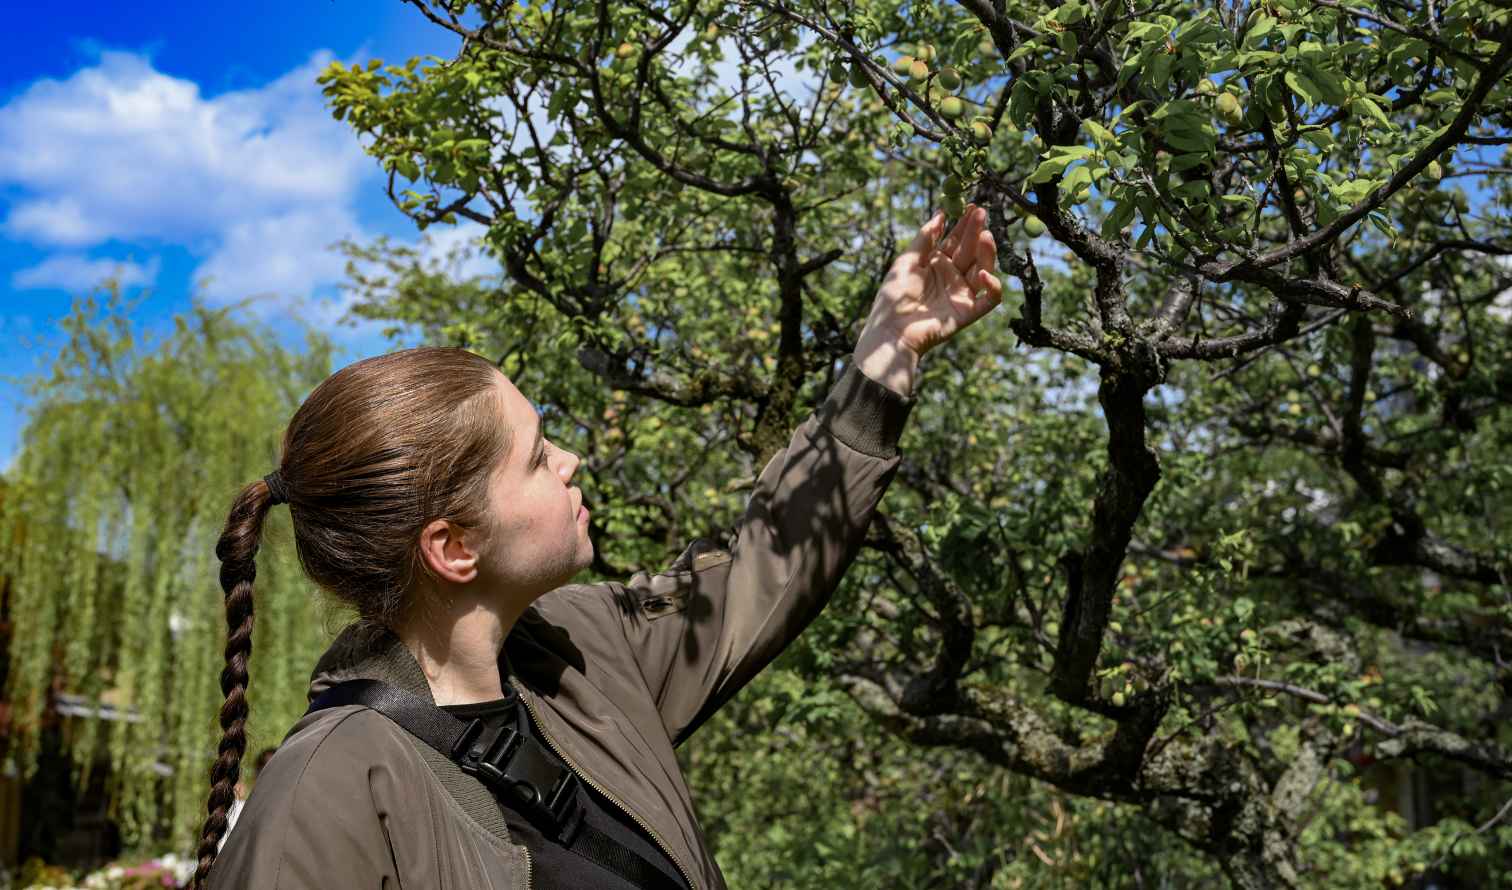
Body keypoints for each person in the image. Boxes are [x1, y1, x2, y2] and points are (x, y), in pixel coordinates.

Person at [193, 205, 1002, 890]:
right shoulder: (328, 792)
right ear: (453, 547)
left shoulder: (581, 650)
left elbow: (764, 567)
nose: (571, 461)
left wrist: (887, 354)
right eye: (538, 456)